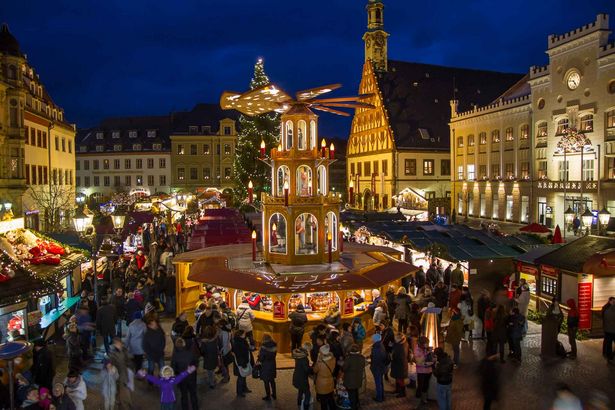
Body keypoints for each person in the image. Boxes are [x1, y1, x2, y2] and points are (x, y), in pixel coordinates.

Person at [171, 338, 199, 410]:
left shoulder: (175, 356)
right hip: (191, 377)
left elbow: (173, 369)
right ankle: (195, 408)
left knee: (184, 395)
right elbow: (196, 363)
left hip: (181, 378)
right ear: (184, 344)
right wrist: (192, 368)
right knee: (193, 394)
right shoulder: (190, 353)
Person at [109, 337, 133, 409]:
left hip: (125, 373)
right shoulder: (113, 352)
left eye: (120, 343)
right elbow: (110, 361)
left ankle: (124, 404)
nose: (119, 345)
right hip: (118, 374)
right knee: (121, 390)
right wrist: (110, 366)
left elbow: (128, 359)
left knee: (124, 390)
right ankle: (123, 404)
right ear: (114, 344)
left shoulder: (124, 350)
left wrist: (130, 366)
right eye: (117, 343)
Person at [313, 344, 336, 410]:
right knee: (331, 398)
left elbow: (314, 370)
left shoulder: (320, 363)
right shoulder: (333, 359)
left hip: (321, 384)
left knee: (323, 402)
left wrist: (318, 359)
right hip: (330, 381)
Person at [343, 344, 365, 410]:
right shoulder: (361, 357)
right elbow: (363, 365)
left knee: (351, 394)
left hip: (350, 381)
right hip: (358, 379)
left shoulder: (349, 359)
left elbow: (344, 368)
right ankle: (357, 403)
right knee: (356, 391)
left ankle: (354, 407)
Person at [232, 329, 253, 398]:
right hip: (241, 363)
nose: (245, 334)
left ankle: (244, 388)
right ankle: (239, 392)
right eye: (244, 334)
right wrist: (243, 363)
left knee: (244, 376)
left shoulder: (242, 341)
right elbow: (239, 355)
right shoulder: (238, 343)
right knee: (241, 377)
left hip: (244, 361)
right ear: (240, 335)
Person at [292, 341, 312, 410]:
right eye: (309, 349)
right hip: (302, 378)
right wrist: (311, 368)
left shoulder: (298, 354)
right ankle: (306, 407)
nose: (309, 351)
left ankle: (299, 402)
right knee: (307, 394)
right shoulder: (304, 358)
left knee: (300, 390)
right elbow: (306, 369)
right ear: (307, 349)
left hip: (297, 375)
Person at [258, 333, 278, 401]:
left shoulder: (263, 347)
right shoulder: (275, 344)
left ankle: (268, 396)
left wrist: (259, 357)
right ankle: (274, 394)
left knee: (266, 381)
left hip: (265, 365)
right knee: (272, 380)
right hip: (272, 364)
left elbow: (261, 358)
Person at [414, 336, 433, 404]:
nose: (427, 345)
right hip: (421, 371)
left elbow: (431, 358)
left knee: (426, 385)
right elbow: (418, 361)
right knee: (420, 386)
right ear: (421, 343)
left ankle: (424, 398)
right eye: (426, 343)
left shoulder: (426, 348)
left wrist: (433, 356)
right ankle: (417, 400)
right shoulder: (417, 349)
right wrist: (426, 354)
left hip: (428, 370)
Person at [390, 332, 409, 398]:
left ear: (399, 339)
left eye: (395, 338)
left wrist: (392, 357)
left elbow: (399, 357)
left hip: (400, 365)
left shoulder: (401, 347)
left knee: (400, 379)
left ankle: (402, 393)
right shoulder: (402, 343)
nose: (394, 339)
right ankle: (397, 390)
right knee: (397, 378)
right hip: (398, 365)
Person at [369, 333, 387, 403]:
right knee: (380, 382)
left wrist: (371, 360)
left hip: (377, 369)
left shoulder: (376, 348)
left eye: (372, 338)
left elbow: (375, 360)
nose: (371, 340)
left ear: (375, 339)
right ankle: (382, 395)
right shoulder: (381, 345)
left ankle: (379, 398)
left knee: (378, 383)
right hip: (381, 367)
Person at [603, 296, 615, 363]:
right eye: (613, 301)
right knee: (608, 344)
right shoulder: (608, 310)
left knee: (608, 344)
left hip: (607, 329)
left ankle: (609, 356)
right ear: (610, 301)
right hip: (611, 330)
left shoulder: (605, 309)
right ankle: (610, 356)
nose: (614, 303)